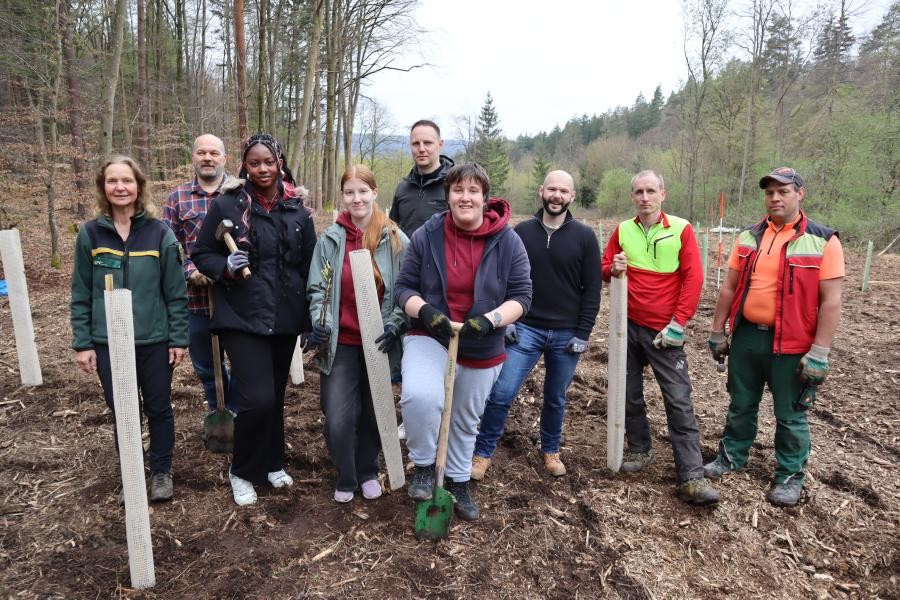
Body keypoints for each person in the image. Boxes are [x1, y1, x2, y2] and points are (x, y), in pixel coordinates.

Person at [395, 162, 532, 521]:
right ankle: (424, 465)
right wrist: (425, 312)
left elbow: (522, 296)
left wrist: (490, 320)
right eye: (458, 190)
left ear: (485, 198)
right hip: (432, 334)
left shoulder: (507, 241)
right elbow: (403, 287)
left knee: (465, 418)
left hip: (482, 342)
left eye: (473, 191)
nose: (465, 197)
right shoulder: (428, 234)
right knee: (420, 396)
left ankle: (457, 481)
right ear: (448, 195)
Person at [703, 167, 844, 507]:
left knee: (790, 414)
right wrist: (716, 330)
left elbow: (832, 302)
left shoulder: (823, 240)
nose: (775, 198)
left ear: (801, 193)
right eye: (770, 192)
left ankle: (790, 476)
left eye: (783, 191)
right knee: (740, 403)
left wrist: (820, 351)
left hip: (794, 344)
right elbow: (729, 287)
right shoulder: (749, 237)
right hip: (749, 336)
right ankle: (731, 456)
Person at [192, 133, 316, 506]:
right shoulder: (227, 205)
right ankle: (243, 470)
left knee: (275, 397)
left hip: (284, 317)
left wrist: (311, 318)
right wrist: (225, 268)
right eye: (254, 163)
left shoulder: (298, 210)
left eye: (269, 162)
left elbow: (309, 266)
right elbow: (202, 252)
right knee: (256, 399)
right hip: (241, 316)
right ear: (244, 166)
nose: (263, 169)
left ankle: (273, 462)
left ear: (280, 162)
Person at [71, 155, 188, 502]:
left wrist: (178, 337)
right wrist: (83, 343)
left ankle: (162, 470)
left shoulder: (159, 234)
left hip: (154, 339)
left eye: (127, 181)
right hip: (108, 342)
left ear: (139, 187)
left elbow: (175, 293)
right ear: (103, 188)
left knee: (158, 406)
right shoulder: (90, 234)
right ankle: (133, 472)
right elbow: (80, 292)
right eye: (112, 181)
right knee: (123, 408)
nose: (120, 187)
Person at [472, 170, 601, 479]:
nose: (557, 195)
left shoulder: (584, 237)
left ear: (571, 196)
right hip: (525, 327)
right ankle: (482, 453)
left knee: (556, 396)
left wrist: (583, 333)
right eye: (552, 189)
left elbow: (592, 290)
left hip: (567, 333)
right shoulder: (520, 233)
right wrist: (507, 321)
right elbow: (503, 281)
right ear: (542, 191)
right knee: (502, 392)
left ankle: (551, 451)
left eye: (563, 191)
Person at [601, 169, 719, 505]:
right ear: (632, 197)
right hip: (628, 328)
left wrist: (679, 323)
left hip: (665, 331)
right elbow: (604, 267)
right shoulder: (623, 230)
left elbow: (693, 279)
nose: (644, 197)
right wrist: (614, 267)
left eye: (651, 191)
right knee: (628, 394)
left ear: (662, 194)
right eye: (638, 191)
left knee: (679, 401)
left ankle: (692, 476)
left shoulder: (681, 229)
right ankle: (641, 449)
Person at [307, 165, 410, 503]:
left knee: (374, 410)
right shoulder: (330, 240)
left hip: (379, 341)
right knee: (337, 414)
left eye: (363, 191)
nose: (357, 199)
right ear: (343, 197)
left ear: (375, 193)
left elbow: (407, 287)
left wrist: (396, 323)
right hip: (341, 343)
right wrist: (319, 320)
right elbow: (318, 288)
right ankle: (346, 473)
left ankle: (367, 469)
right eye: (349, 192)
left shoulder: (395, 238)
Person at [163, 134, 240, 420]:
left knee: (245, 365)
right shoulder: (177, 198)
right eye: (201, 153)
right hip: (197, 301)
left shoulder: (240, 194)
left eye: (214, 153)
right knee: (208, 366)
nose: (208, 158)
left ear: (224, 158)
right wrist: (190, 270)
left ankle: (239, 417)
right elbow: (169, 249)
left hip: (239, 299)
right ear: (193, 157)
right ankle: (220, 415)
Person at [388, 120, 455, 238]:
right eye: (415, 143)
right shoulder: (403, 188)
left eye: (428, 143)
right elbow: (392, 231)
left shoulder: (454, 186)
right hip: (407, 256)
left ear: (440, 144)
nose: (421, 149)